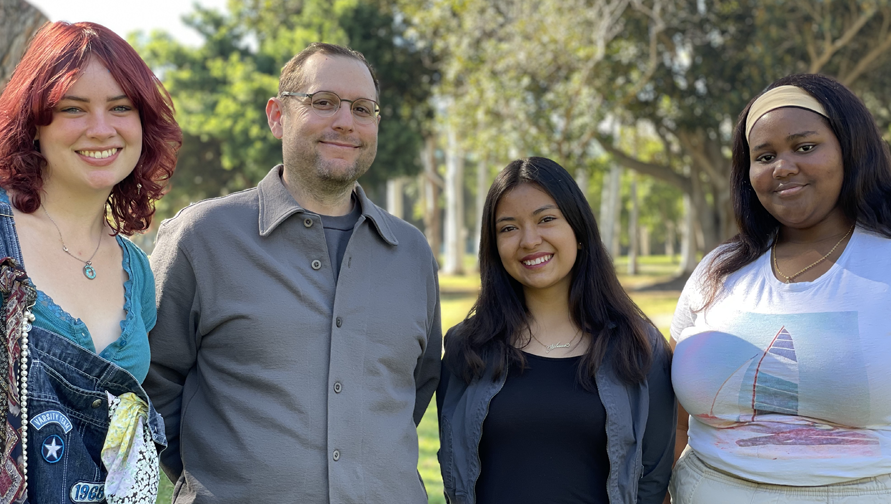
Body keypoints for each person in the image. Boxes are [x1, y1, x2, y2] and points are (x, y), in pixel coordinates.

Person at [144, 42, 442, 503]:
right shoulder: (201, 238)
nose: (345, 121)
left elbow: (413, 390)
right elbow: (153, 385)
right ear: (277, 115)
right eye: (323, 102)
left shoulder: (413, 254)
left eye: (363, 108)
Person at [670, 73, 891, 503]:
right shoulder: (717, 271)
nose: (783, 167)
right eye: (765, 155)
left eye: (804, 147)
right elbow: (674, 421)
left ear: (850, 149)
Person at [0, 21, 181, 502]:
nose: (101, 129)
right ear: (33, 125)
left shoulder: (136, 270)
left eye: (121, 107)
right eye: (72, 109)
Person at [437, 157, 676, 504]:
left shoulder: (638, 347)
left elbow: (652, 479)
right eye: (508, 228)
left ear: (578, 231)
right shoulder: (467, 348)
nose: (529, 240)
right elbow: (454, 469)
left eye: (546, 219)